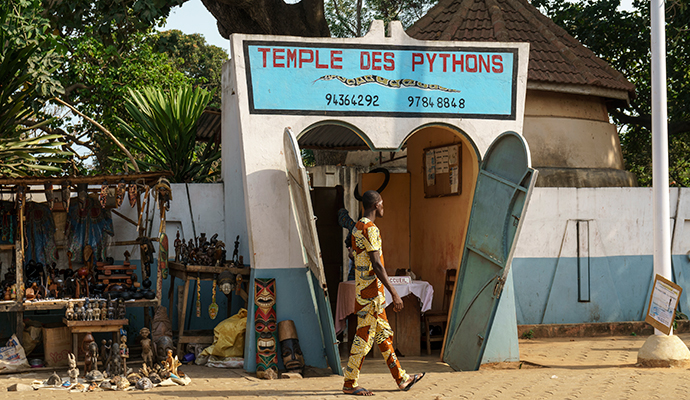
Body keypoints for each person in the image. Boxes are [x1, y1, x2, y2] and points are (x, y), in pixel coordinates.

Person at [342, 190, 424, 396]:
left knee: (384, 337)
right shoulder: (371, 229)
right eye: (382, 203)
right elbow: (377, 264)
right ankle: (350, 383)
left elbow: (355, 255)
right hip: (371, 295)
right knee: (363, 338)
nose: (383, 207)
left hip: (364, 292)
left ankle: (402, 379)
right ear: (376, 205)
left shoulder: (357, 228)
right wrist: (395, 293)